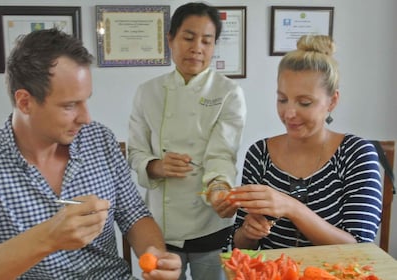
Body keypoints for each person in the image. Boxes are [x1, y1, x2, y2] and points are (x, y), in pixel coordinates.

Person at [0, 28, 181, 280]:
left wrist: (157, 256)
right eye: (69, 105)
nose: (86, 118)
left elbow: (134, 215)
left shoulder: (99, 140)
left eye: (86, 100)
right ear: (25, 102)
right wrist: (48, 237)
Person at [229, 35, 382, 250]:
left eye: (304, 102)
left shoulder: (356, 154)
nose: (289, 113)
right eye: (282, 99)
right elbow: (239, 244)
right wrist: (248, 232)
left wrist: (292, 208)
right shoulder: (259, 153)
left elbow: (360, 247)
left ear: (332, 101)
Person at [128, 2, 246, 279]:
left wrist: (219, 189)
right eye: (189, 38)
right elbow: (135, 152)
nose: (197, 48)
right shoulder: (147, 92)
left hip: (210, 222)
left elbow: (222, 154)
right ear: (171, 39)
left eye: (207, 40)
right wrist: (156, 166)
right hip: (160, 226)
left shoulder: (229, 92)